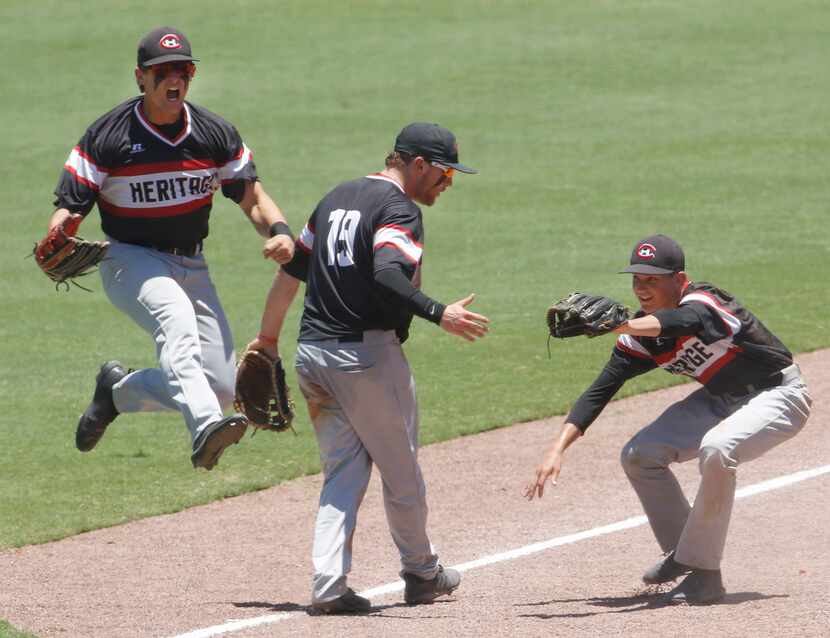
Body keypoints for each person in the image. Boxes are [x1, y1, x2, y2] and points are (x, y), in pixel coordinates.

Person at [247, 122, 489, 613]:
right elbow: (385, 273)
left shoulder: (335, 197)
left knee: (343, 471)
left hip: (312, 353)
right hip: (366, 359)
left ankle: (328, 585)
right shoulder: (398, 209)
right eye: (444, 174)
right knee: (401, 470)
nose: (447, 184)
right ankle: (422, 573)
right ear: (417, 164)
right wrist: (440, 312)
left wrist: (267, 339)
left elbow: (291, 272)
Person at [48, 26, 295, 470]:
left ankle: (116, 394)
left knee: (221, 386)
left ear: (192, 74)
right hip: (129, 259)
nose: (173, 78)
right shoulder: (109, 136)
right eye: (162, 71)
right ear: (140, 77)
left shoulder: (213, 133)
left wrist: (279, 231)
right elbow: (69, 209)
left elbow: (252, 196)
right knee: (175, 320)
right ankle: (204, 428)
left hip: (191, 262)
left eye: (181, 68)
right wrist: (59, 234)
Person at [525, 234, 812, 604]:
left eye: (652, 280)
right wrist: (556, 448)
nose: (642, 289)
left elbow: (683, 320)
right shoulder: (639, 337)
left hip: (780, 394)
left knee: (717, 449)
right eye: (636, 280)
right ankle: (691, 564)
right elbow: (599, 392)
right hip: (721, 400)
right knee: (640, 455)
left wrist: (620, 326)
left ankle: (698, 568)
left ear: (679, 280)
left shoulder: (706, 301)